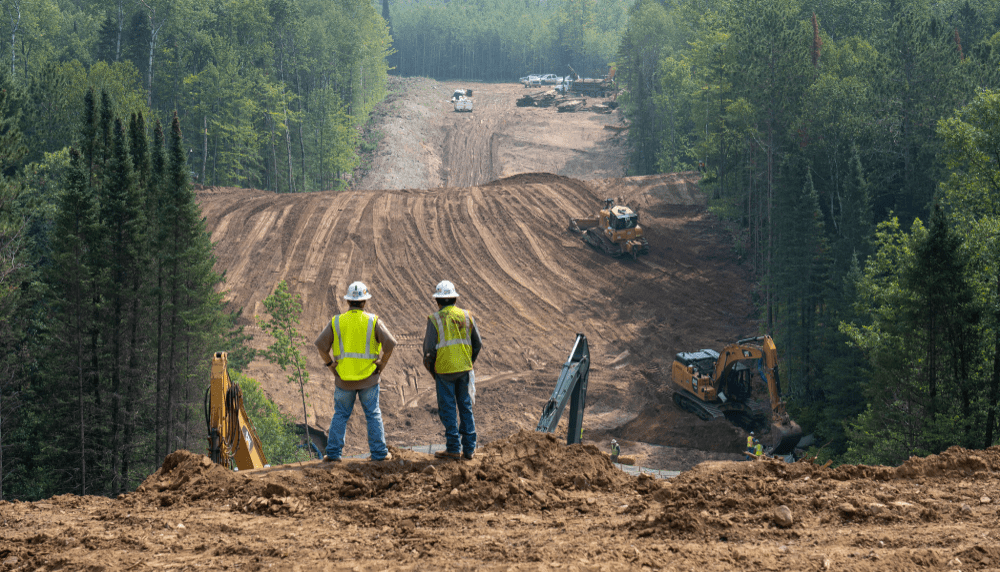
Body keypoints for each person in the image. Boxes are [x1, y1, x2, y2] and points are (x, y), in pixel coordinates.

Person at [315, 281, 397, 462]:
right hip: (369, 378)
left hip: (343, 379)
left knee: (341, 414)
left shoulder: (337, 321)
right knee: (373, 413)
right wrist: (382, 364)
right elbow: (390, 344)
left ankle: (334, 454)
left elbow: (320, 346)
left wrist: (330, 365)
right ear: (364, 302)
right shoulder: (373, 321)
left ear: (347, 302)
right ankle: (379, 453)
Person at [422, 280, 482, 460]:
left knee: (448, 409)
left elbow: (428, 350)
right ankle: (469, 449)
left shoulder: (435, 319)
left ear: (438, 301)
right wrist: (468, 362)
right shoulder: (466, 316)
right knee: (465, 407)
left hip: (444, 371)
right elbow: (477, 344)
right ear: (455, 299)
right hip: (464, 369)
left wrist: (433, 370)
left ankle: (453, 449)